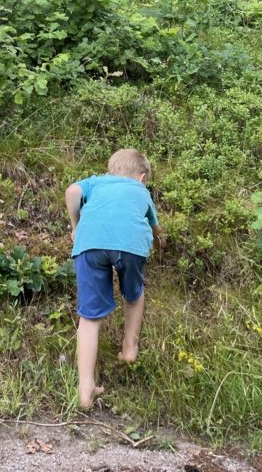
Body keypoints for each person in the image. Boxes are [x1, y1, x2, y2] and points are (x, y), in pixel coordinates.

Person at [65, 148, 163, 410]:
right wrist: (159, 243)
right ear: (142, 177)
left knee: (89, 318)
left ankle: (85, 389)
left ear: (111, 170)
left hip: (89, 244)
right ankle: (129, 347)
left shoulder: (97, 182)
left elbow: (72, 192)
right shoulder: (141, 191)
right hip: (130, 245)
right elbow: (154, 227)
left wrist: (75, 227)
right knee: (134, 296)